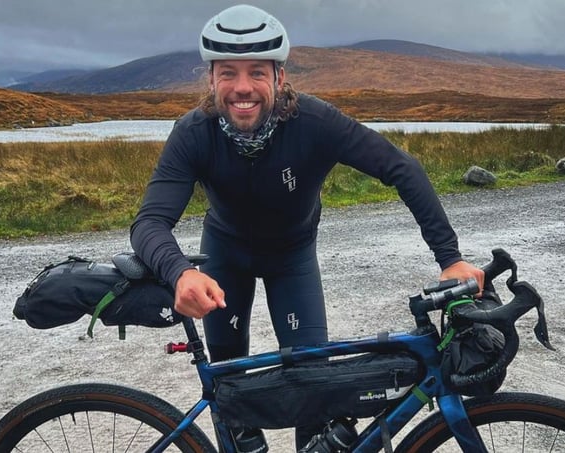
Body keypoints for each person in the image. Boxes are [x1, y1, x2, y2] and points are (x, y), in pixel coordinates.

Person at [130, 4, 484, 449]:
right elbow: (149, 222)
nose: (243, 87)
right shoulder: (194, 133)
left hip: (291, 259)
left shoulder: (314, 123)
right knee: (228, 389)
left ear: (279, 78)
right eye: (228, 74)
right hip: (224, 257)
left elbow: (401, 168)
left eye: (257, 73)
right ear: (212, 80)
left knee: (313, 387)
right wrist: (180, 272)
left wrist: (450, 259)